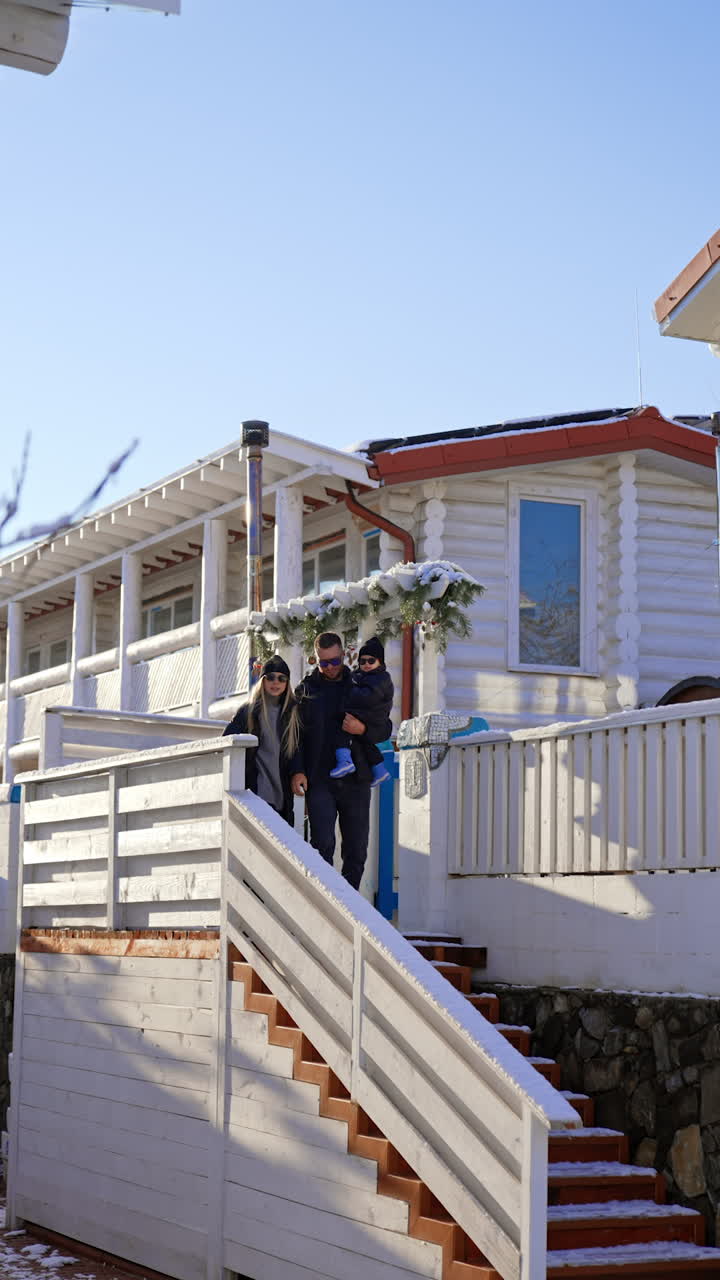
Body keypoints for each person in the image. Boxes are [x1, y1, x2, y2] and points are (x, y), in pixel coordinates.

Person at [290, 632, 391, 890]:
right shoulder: (305, 691)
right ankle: (324, 905)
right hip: (320, 779)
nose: (331, 667)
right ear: (316, 660)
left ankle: (350, 909)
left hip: (356, 778)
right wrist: (298, 770)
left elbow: (385, 726)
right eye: (324, 663)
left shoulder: (361, 683)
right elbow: (295, 736)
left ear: (344, 655)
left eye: (335, 661)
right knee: (322, 844)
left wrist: (363, 730)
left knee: (356, 850)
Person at [223, 655, 300, 825]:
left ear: (287, 683)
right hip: (256, 788)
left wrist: (298, 771)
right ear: (262, 681)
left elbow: (298, 750)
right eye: (270, 677)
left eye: (282, 678)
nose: (276, 682)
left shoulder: (293, 712)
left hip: (282, 790)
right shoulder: (248, 711)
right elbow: (227, 740)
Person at [330, 636, 393, 787]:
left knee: (341, 725)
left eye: (371, 661)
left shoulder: (380, 678)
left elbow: (367, 697)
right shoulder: (363, 676)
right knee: (362, 740)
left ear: (380, 662)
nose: (366, 664)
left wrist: (349, 689)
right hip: (369, 714)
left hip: (372, 714)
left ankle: (344, 759)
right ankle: (379, 769)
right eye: (362, 661)